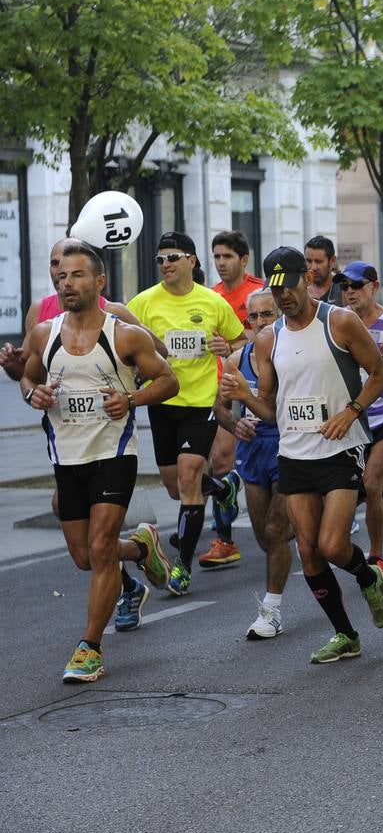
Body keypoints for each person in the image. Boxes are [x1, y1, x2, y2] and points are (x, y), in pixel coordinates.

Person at [220, 246, 383, 664]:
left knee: (334, 545)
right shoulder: (269, 339)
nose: (283, 296)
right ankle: (345, 634)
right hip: (294, 454)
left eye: (289, 285)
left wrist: (350, 412)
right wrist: (245, 396)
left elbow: (380, 374)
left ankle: (367, 574)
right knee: (309, 551)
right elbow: (271, 410)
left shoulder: (339, 322)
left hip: (341, 447)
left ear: (308, 279)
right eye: (275, 289)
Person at [20, 240, 178, 681]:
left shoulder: (124, 334)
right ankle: (142, 547)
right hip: (66, 456)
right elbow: (29, 377)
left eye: (77, 275)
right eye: (61, 276)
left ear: (99, 281)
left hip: (114, 453)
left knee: (101, 547)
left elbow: (169, 380)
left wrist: (130, 398)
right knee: (84, 556)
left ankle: (90, 646)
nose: (66, 283)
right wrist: (35, 393)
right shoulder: (44, 334)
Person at [126, 231, 248, 593]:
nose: (166, 264)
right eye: (161, 259)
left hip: (199, 403)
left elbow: (240, 339)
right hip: (162, 402)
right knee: (175, 487)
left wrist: (226, 345)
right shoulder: (144, 302)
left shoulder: (212, 302)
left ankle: (182, 567)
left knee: (189, 476)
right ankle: (223, 490)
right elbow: (123, 340)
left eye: (173, 257)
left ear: (192, 261)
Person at [213, 288, 294, 639]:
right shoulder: (236, 359)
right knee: (265, 536)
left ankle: (271, 610)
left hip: (291, 445)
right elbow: (218, 408)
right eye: (253, 317)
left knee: (277, 531)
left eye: (268, 315)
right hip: (254, 450)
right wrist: (235, 423)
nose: (259, 323)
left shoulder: (293, 354)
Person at [338, 260, 383, 579]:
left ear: (374, 287)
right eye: (345, 287)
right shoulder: (338, 324)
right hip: (358, 416)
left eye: (356, 286)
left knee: (370, 482)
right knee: (365, 491)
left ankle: (377, 556)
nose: (349, 292)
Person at [199, 230, 263, 570]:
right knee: (211, 464)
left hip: (254, 387)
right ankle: (224, 520)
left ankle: (223, 538)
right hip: (219, 385)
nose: (221, 263)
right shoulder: (211, 296)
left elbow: (267, 335)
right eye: (217, 257)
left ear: (243, 259)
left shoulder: (259, 291)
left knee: (224, 460)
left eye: (227, 256)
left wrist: (235, 347)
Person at [1, 239, 150, 380]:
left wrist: (129, 392)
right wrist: (11, 364)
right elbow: (28, 375)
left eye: (76, 272)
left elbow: (158, 354)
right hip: (57, 408)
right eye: (55, 263)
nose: (61, 270)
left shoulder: (115, 311)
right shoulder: (38, 309)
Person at [303, 235, 345, 305]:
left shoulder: (344, 288)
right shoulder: (300, 288)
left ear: (332, 261)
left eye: (319, 261)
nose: (313, 267)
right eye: (309, 261)